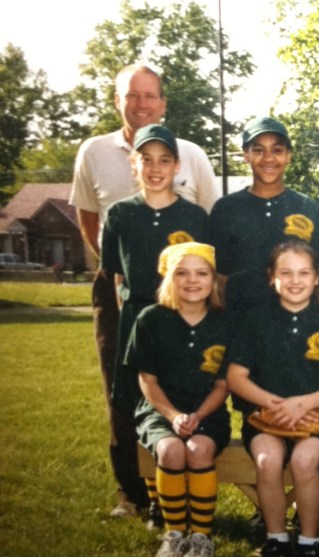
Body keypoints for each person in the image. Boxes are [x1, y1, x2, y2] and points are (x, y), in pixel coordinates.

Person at [70, 63, 218, 519]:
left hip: (183, 302)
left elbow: (209, 230)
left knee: (180, 389)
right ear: (118, 100)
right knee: (125, 391)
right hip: (127, 297)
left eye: (150, 95)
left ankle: (175, 487)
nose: (141, 103)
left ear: (163, 102)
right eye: (131, 95)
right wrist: (118, 287)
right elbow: (93, 227)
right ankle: (135, 493)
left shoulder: (192, 159)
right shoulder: (95, 153)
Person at [99, 124, 211, 523]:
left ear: (177, 165)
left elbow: (206, 275)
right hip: (138, 319)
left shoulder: (194, 216)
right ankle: (155, 502)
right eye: (146, 159)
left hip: (183, 321)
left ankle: (182, 501)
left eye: (164, 159)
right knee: (140, 405)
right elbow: (115, 276)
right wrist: (134, 320)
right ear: (134, 165)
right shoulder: (120, 214)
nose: (155, 167)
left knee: (178, 401)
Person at [226, 241, 319, 557]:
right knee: (268, 461)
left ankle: (310, 543)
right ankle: (276, 539)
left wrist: (303, 404)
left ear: (317, 280)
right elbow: (236, 377)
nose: (295, 280)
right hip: (265, 418)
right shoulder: (255, 320)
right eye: (286, 272)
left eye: (303, 273)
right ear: (272, 278)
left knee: (303, 459)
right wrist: (275, 404)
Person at [125, 242, 230, 557]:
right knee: (171, 450)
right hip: (160, 409)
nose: (192, 280)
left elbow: (223, 385)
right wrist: (172, 416)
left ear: (213, 280)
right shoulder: (150, 319)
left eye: (202, 273)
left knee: (198, 449)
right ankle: (174, 534)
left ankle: (201, 536)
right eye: (182, 273)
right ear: (168, 278)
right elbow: (148, 381)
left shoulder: (224, 322)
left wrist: (196, 415)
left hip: (207, 411)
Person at [209, 116, 319, 321]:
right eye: (259, 150)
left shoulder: (308, 208)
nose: (268, 158)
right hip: (241, 330)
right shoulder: (226, 209)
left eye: (277, 150)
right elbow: (218, 281)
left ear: (288, 156)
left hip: (298, 330)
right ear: (246, 155)